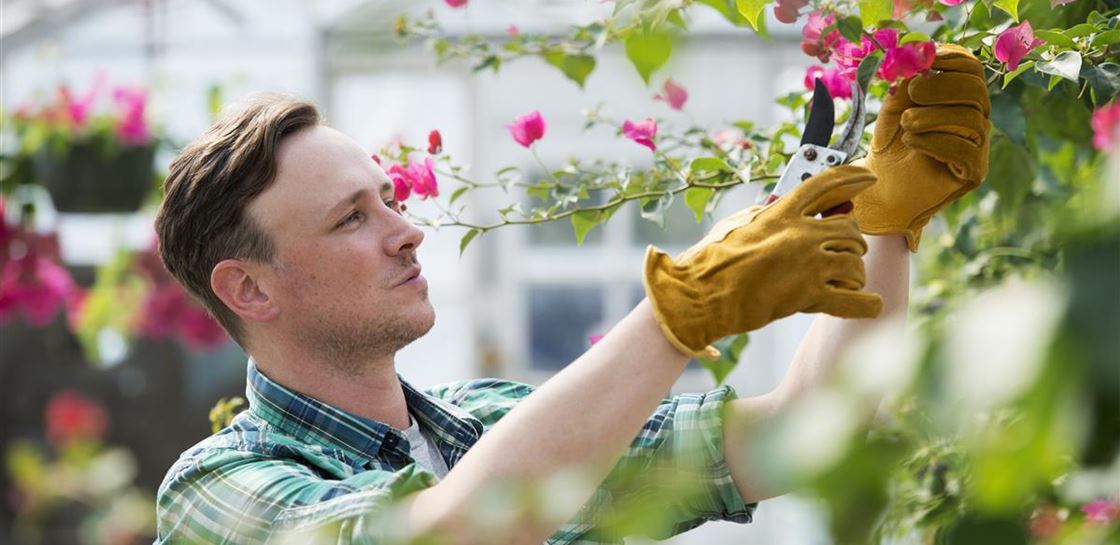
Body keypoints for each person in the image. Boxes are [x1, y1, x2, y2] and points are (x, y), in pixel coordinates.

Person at [152, 45, 989, 545]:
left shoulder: (497, 426)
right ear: (250, 288)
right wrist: (678, 311)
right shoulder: (218, 491)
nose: (406, 230)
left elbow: (806, 431)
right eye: (349, 219)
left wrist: (887, 224)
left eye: (390, 199)